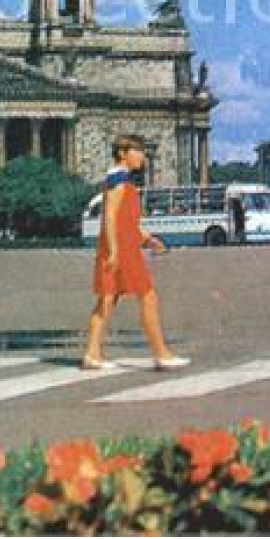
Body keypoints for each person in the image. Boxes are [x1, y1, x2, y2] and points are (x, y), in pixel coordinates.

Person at [83, 135, 188, 372]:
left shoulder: (118, 180)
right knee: (148, 297)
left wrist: (149, 239)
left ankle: (92, 354)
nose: (142, 156)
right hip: (122, 251)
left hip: (119, 247)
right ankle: (161, 353)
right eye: (137, 151)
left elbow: (126, 220)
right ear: (123, 153)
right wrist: (114, 250)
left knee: (107, 300)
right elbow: (109, 216)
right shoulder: (119, 181)